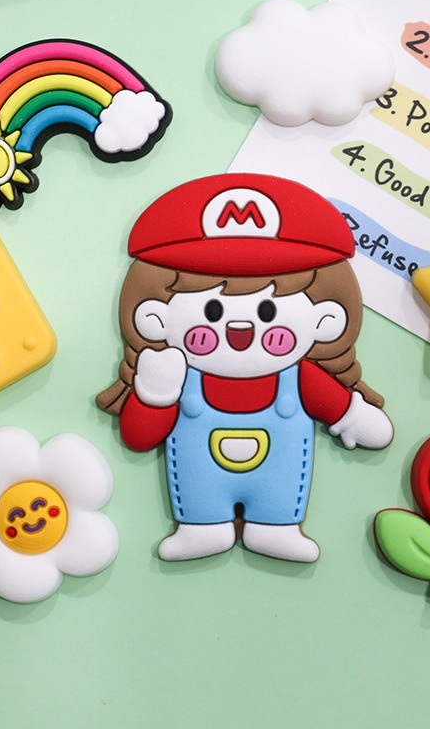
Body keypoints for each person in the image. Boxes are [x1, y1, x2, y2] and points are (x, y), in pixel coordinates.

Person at [97, 173, 393, 562]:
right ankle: (200, 527)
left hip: (278, 482)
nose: (240, 329)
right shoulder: (176, 377)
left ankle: (277, 527)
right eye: (212, 311)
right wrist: (155, 394)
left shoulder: (300, 378)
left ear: (327, 320)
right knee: (200, 498)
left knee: (279, 496)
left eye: (267, 311)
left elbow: (340, 409)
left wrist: (356, 418)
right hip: (201, 485)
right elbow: (138, 437)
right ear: (154, 318)